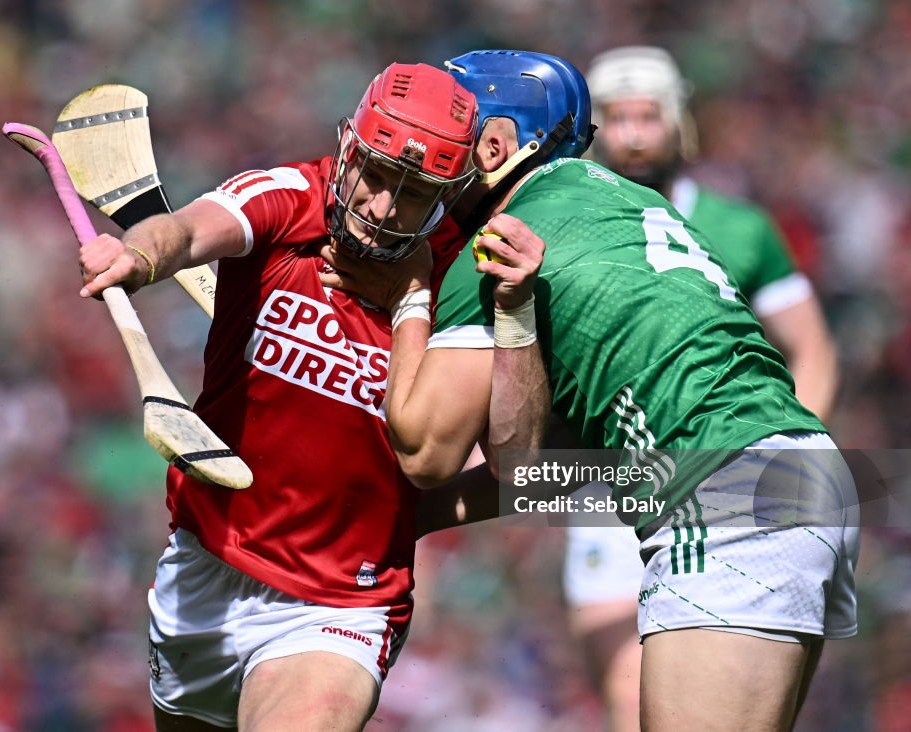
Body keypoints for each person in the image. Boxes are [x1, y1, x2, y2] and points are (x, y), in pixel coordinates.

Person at [322, 50, 858, 731]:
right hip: (801, 476)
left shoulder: (504, 237)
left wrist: (410, 300)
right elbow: (546, 470)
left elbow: (426, 453)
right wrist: (408, 521)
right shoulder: (624, 204)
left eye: (452, 132)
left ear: (495, 146)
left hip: (715, 489)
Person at [78, 63, 481, 731]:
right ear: (348, 143)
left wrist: (412, 302)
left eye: (413, 196)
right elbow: (186, 232)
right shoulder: (290, 194)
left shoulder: (461, 276)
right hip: (206, 566)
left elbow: (475, 465)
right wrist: (140, 258)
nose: (383, 210)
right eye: (376, 177)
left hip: (338, 606)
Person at [559, 45, 842, 732]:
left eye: (647, 117)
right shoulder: (564, 225)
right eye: (615, 118)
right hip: (611, 480)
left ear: (680, 123)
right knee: (633, 693)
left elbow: (812, 349)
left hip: (726, 470)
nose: (630, 135)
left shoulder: (741, 229)